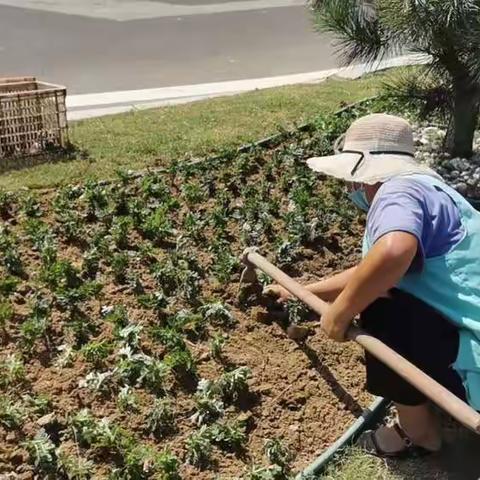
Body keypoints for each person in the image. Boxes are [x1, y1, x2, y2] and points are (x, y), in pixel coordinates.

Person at [266, 113, 480, 458]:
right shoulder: (435, 194)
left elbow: (393, 253)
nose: (351, 188)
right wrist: (300, 293)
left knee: (383, 306)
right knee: (380, 289)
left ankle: (418, 433)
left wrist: (340, 314)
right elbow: (373, 270)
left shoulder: (397, 190)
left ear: (364, 169)